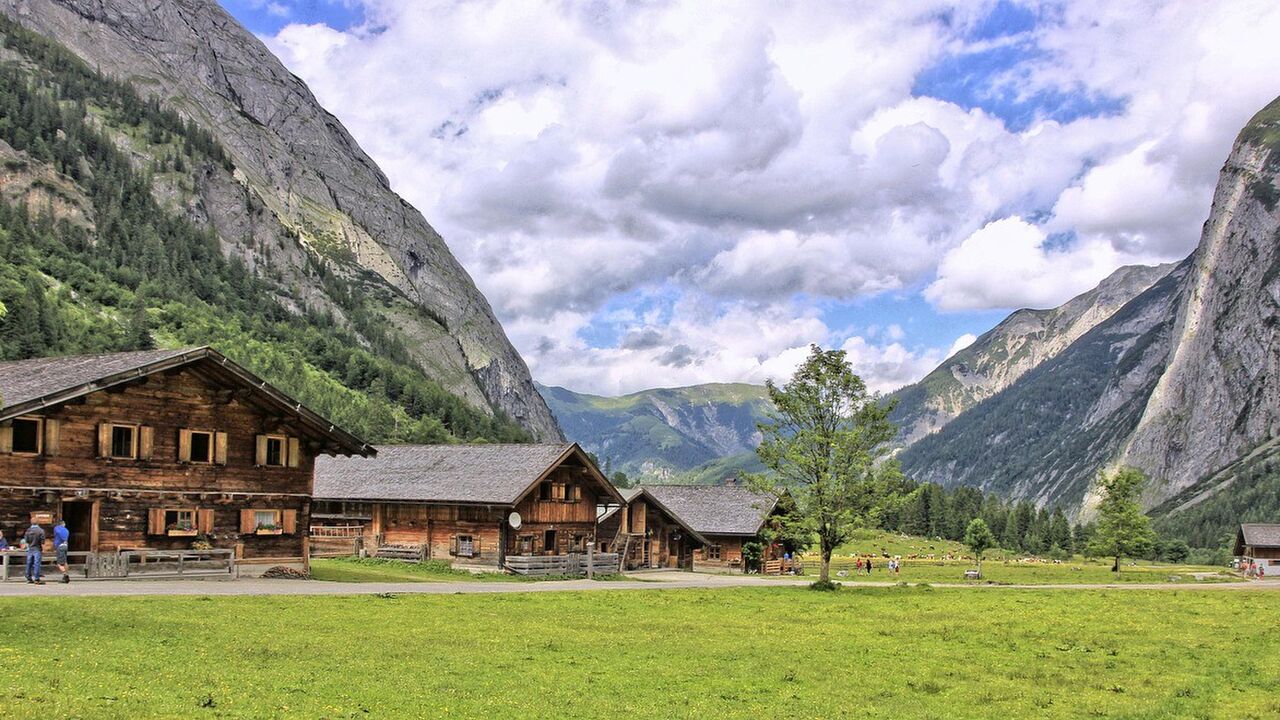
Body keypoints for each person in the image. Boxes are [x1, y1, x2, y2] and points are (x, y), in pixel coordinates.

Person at [23, 520, 45, 585]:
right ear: (38, 522)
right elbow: (42, 541)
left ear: (31, 522)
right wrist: (43, 549)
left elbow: (26, 541)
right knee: (37, 563)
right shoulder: (41, 530)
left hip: (30, 548)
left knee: (29, 563)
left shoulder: (28, 530)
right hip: (37, 548)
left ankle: (28, 578)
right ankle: (37, 579)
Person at [53, 520, 71, 584]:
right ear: (63, 524)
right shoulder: (66, 530)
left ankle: (65, 576)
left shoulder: (57, 528)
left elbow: (57, 534)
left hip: (60, 546)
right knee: (65, 562)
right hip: (65, 546)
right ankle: (67, 575)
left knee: (59, 563)